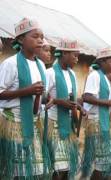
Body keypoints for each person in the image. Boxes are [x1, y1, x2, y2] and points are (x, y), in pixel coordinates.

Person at [0, 18, 49, 179]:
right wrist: (27, 90)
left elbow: (38, 97)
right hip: (14, 124)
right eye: (35, 36)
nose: (40, 40)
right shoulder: (10, 64)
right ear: (21, 39)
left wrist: (38, 97)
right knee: (16, 173)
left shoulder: (41, 65)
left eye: (42, 36)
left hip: (33, 124)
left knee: (35, 172)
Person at [45, 39, 86, 180]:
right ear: (64, 53)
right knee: (57, 167)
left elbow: (72, 99)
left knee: (67, 166)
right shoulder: (50, 73)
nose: (77, 59)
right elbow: (42, 98)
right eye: (74, 55)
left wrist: (79, 106)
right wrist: (57, 101)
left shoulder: (72, 75)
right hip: (54, 123)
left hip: (68, 125)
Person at [80, 48, 111, 179]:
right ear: (102, 61)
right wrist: (110, 103)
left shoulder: (105, 80)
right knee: (102, 163)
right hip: (96, 123)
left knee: (104, 162)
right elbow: (87, 97)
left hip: (103, 123)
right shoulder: (95, 76)